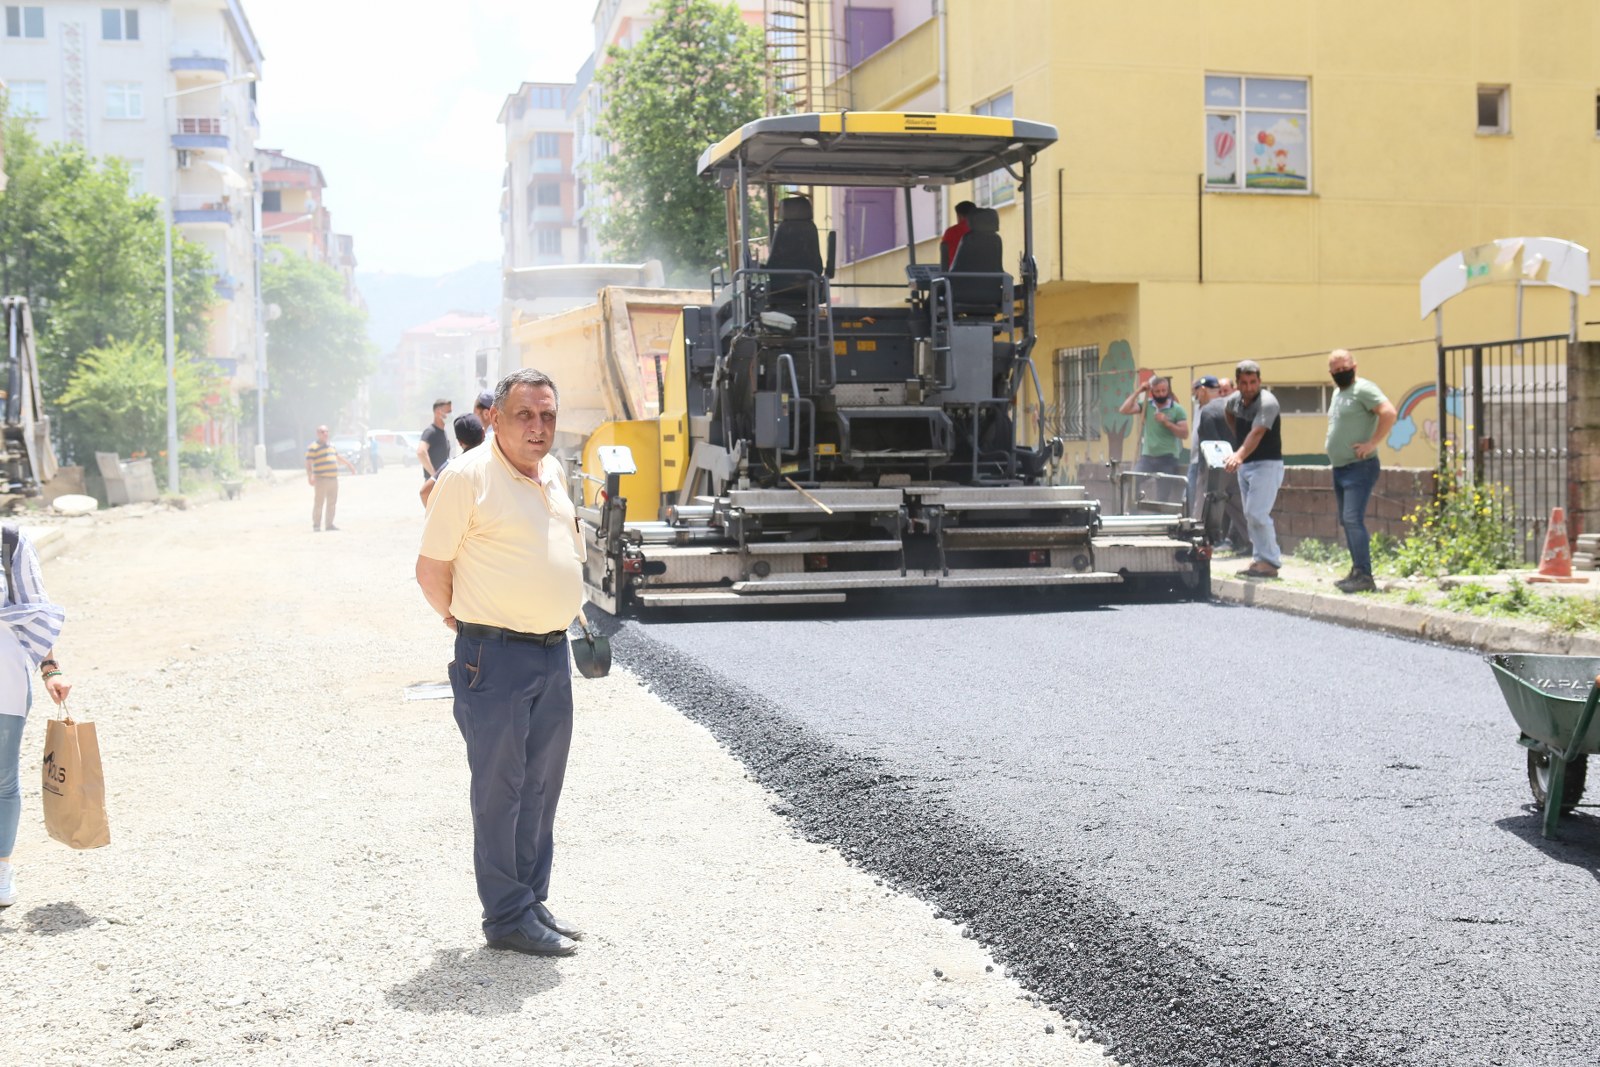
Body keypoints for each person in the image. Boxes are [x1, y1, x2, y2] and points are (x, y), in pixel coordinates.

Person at [416, 368, 587, 958]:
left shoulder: (553, 471)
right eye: (524, 415)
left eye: (547, 416)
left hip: (551, 652)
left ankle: (530, 902)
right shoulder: (467, 477)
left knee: (541, 786)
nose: (538, 427)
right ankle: (506, 917)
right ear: (495, 418)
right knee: (500, 789)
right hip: (493, 656)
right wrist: (462, 623)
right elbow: (430, 569)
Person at [0, 524, 71, 908]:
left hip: (4, 674)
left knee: (2, 776)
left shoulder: (9, 542)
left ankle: (1, 870)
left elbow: (35, 608)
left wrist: (51, 669)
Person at [1326, 348, 1398, 594]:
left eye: (1344, 368)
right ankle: (1356, 571)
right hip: (1341, 467)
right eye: (1336, 371)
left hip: (1360, 467)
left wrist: (1372, 443)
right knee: (1346, 521)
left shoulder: (1364, 388)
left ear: (1354, 366)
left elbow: (1388, 412)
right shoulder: (1338, 392)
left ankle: (1365, 575)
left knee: (1352, 519)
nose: (1341, 373)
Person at [1223, 360, 1284, 578]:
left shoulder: (1268, 403)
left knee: (1258, 513)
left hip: (1267, 463)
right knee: (1250, 514)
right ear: (1237, 383)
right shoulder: (1234, 401)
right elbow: (1228, 413)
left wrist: (1238, 454)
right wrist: (1240, 446)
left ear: (1259, 382)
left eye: (1253, 382)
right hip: (1247, 464)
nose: (1249, 387)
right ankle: (1260, 560)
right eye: (1244, 383)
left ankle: (1271, 561)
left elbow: (1257, 432)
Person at [1191, 378, 1251, 555]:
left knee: (1203, 505)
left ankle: (1196, 543)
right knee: (1239, 506)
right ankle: (1255, 543)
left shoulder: (1208, 411)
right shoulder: (1240, 409)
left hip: (1214, 467)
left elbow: (1209, 442)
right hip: (1237, 464)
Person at [1118, 374, 1189, 504]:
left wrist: (1167, 423)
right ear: (1152, 392)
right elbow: (1124, 409)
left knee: (1162, 496)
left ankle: (1160, 519)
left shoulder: (1177, 409)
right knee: (1133, 481)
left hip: (1167, 458)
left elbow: (1184, 434)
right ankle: (1133, 515)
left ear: (1168, 391)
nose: (1161, 394)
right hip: (1147, 458)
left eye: (1164, 391)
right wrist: (1139, 390)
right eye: (1157, 391)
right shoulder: (1147, 405)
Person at [420, 413, 487, 507]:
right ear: (483, 433)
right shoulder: (494, 459)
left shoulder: (451, 465)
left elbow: (424, 492)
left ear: (459, 442)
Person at [305, 425, 357, 532]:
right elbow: (308, 463)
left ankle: (329, 524)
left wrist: (349, 465)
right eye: (323, 432)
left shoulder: (331, 446)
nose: (325, 434)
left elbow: (337, 457)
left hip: (333, 479)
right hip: (321, 479)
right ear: (318, 434)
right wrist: (310, 476)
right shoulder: (313, 447)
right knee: (319, 502)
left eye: (327, 432)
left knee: (332, 503)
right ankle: (316, 525)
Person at [418, 399, 453, 481]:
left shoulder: (443, 432)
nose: (450, 414)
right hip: (434, 483)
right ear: (438, 412)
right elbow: (421, 452)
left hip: (442, 481)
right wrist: (434, 476)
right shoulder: (431, 432)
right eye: (448, 411)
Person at [939, 200, 976, 270]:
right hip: (985, 278)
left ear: (959, 216)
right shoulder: (992, 237)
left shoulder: (951, 232)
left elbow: (945, 262)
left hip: (957, 278)